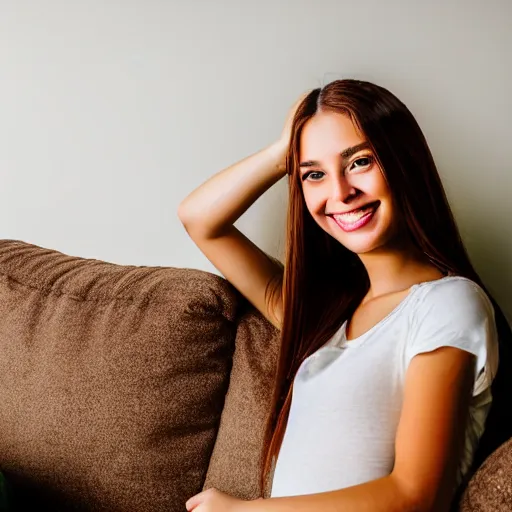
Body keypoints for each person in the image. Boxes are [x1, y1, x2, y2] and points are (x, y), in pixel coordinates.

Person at [179, 80, 511, 512]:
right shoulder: (323, 318)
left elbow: (416, 495)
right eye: (314, 174)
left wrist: (243, 511)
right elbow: (199, 218)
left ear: (402, 161)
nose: (339, 193)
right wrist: (285, 149)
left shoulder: (447, 304)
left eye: (359, 162)